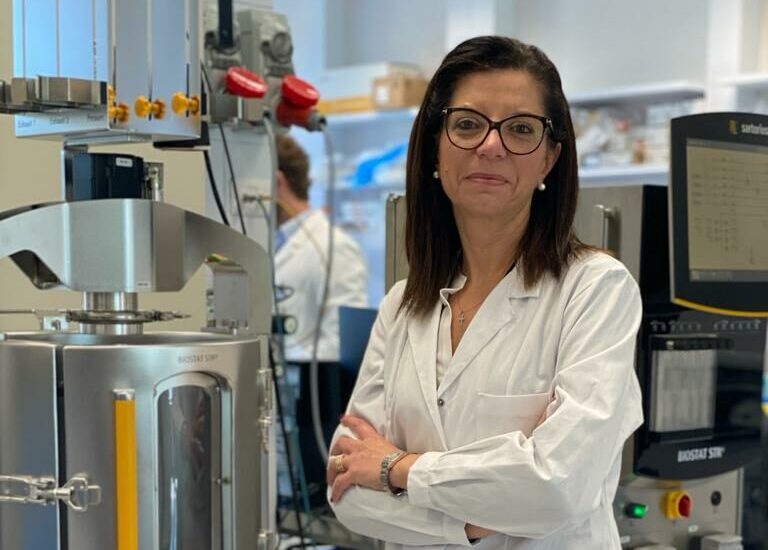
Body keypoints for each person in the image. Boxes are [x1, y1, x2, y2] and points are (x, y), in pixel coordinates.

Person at [325, 36, 643, 549]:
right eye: (468, 124)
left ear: (549, 159)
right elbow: (346, 488)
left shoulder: (596, 290)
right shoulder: (403, 305)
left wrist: (395, 468)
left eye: (521, 129)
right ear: (436, 146)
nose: (491, 146)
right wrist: (475, 518)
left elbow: (557, 486)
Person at [274, 133, 368, 362]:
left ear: (276, 182)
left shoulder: (334, 247)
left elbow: (342, 343)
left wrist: (282, 365)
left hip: (304, 382)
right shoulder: (272, 241)